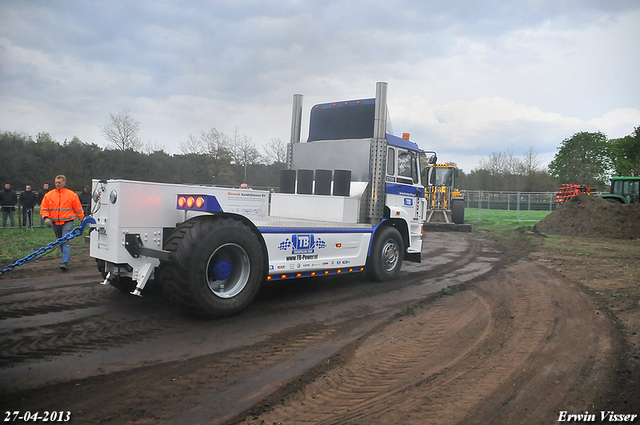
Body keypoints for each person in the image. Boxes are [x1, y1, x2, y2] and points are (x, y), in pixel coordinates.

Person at [40, 175, 85, 271]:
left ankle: (65, 262)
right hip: (55, 222)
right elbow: (44, 207)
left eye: (59, 182)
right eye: (56, 182)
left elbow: (78, 209)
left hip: (68, 222)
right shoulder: (49, 195)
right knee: (60, 241)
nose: (57, 184)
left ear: (64, 183)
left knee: (65, 241)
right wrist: (46, 218)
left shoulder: (72, 195)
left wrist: (83, 221)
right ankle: (66, 256)